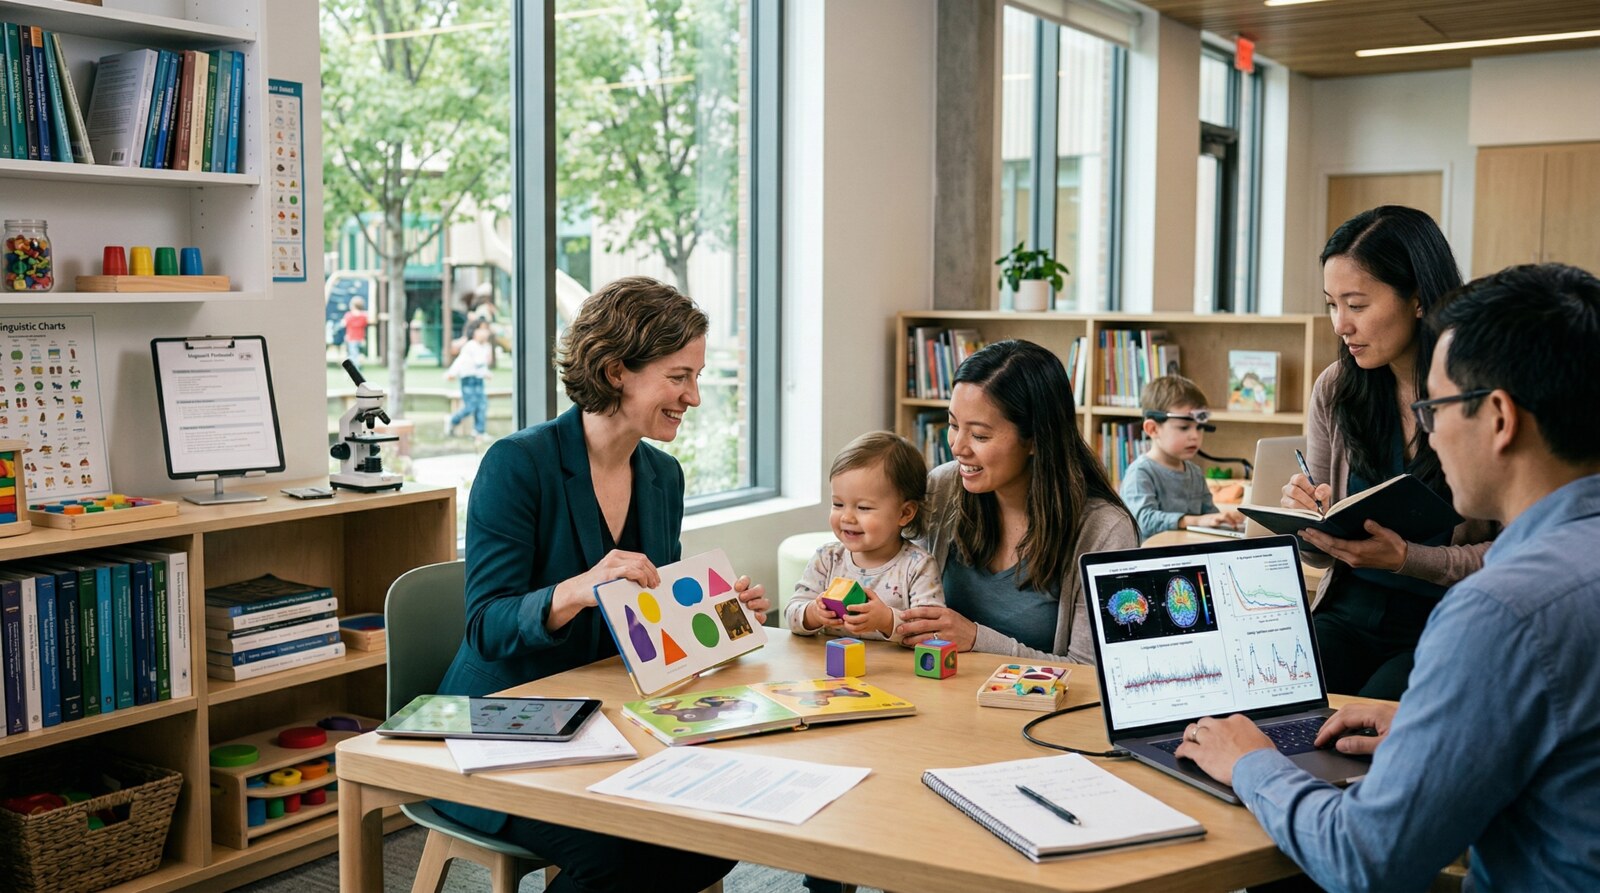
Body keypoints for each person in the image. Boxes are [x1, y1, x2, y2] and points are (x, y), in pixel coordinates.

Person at [1177, 263, 1600, 892]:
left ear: (1500, 418)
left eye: (1434, 407)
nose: (1426, 428)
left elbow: (1368, 859)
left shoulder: (1502, 612)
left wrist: (1253, 765)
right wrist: (1439, 729)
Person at [433, 276, 769, 892]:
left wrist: (719, 616)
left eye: (696, 377)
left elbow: (646, 622)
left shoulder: (662, 476)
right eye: (679, 376)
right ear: (616, 370)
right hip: (500, 723)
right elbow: (486, 628)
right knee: (615, 856)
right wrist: (577, 589)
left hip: (602, 719)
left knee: (713, 841)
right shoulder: (518, 464)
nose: (694, 397)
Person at [1282, 206, 1495, 700]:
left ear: (1418, 299)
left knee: (1360, 732)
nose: (1340, 325)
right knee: (1268, 702)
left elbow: (1515, 555)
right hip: (1344, 613)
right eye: (1332, 304)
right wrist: (1307, 519)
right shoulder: (1335, 389)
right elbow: (1316, 553)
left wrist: (1407, 559)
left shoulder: (1477, 395)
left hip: (1439, 622)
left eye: (1356, 305)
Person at [897, 339, 1138, 663]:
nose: (957, 447)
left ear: (1036, 439)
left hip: (1039, 710)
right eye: (954, 425)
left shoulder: (1104, 531)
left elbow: (1091, 672)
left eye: (980, 435)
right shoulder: (943, 488)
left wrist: (977, 639)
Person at [787, 431, 944, 643]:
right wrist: (813, 613)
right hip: (830, 670)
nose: (847, 517)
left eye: (863, 507)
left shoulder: (918, 566)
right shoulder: (827, 559)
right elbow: (791, 614)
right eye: (838, 504)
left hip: (893, 672)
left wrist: (886, 621)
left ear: (905, 513)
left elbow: (930, 633)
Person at [1120, 375, 1245, 540]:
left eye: (1199, 427)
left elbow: (1209, 515)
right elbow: (1143, 520)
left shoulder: (1194, 473)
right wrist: (1194, 521)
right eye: (1184, 427)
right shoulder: (1140, 472)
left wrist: (1224, 520)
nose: (1194, 435)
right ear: (1153, 429)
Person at [444, 318, 493, 441]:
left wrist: (486, 373)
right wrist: (451, 373)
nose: (485, 332)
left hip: (479, 380)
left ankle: (479, 432)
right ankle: (452, 420)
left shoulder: (484, 347)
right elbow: (461, 361)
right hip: (468, 380)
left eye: (486, 329)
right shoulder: (470, 345)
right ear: (474, 331)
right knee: (470, 406)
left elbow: (482, 367)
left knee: (482, 405)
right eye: (481, 329)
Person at [342, 296, 368, 364]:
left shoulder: (348, 315)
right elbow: (365, 323)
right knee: (357, 353)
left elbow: (344, 323)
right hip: (360, 338)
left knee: (353, 354)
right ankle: (357, 364)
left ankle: (355, 367)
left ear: (353, 306)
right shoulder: (364, 316)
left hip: (351, 337)